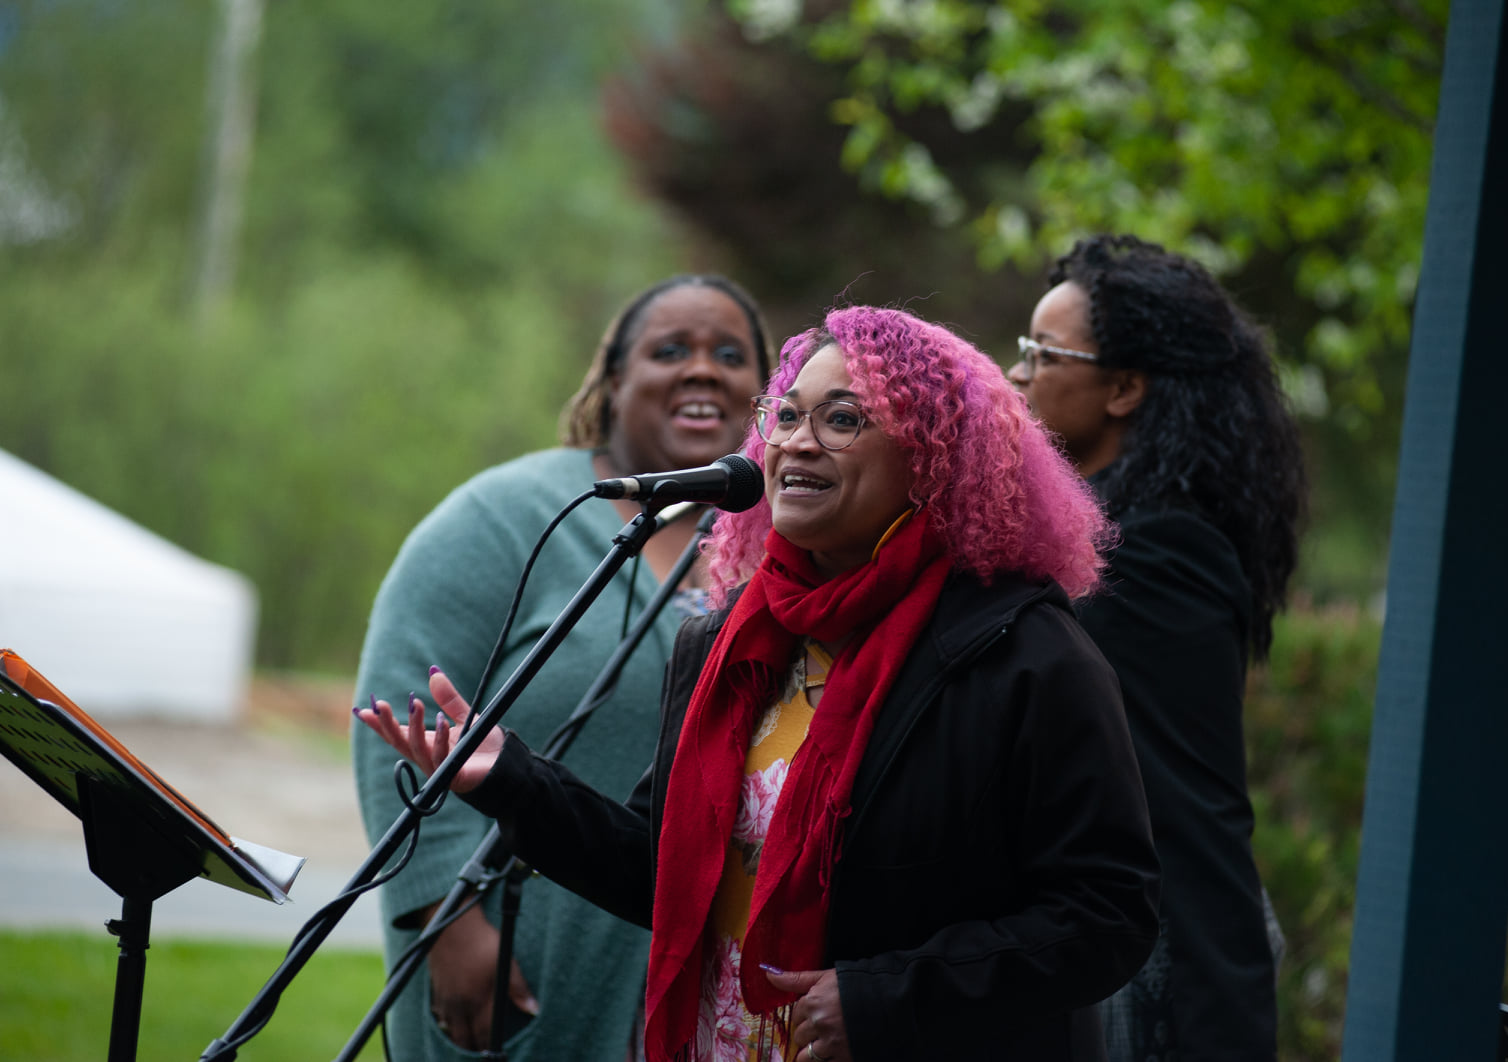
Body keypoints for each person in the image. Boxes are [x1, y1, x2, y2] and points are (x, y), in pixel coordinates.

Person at [358, 304, 1162, 1062]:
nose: (798, 443)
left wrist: (888, 997)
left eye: (841, 419)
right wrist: (509, 779)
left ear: (933, 460)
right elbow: (665, 871)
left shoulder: (1025, 653)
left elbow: (1107, 916)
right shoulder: (733, 637)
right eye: (786, 415)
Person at [352, 274, 772, 1062]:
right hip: (514, 945)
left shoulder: (785, 544)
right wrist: (437, 916)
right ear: (614, 380)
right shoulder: (510, 517)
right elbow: (396, 712)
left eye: (730, 355)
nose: (704, 370)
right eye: (670, 350)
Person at [1008, 234, 1307, 1062]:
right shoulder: (1088, 535)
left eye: (1042, 352)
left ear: (1125, 388)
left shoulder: (1154, 552)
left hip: (1146, 980)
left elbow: (1192, 808)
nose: (1016, 372)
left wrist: (1223, 1033)